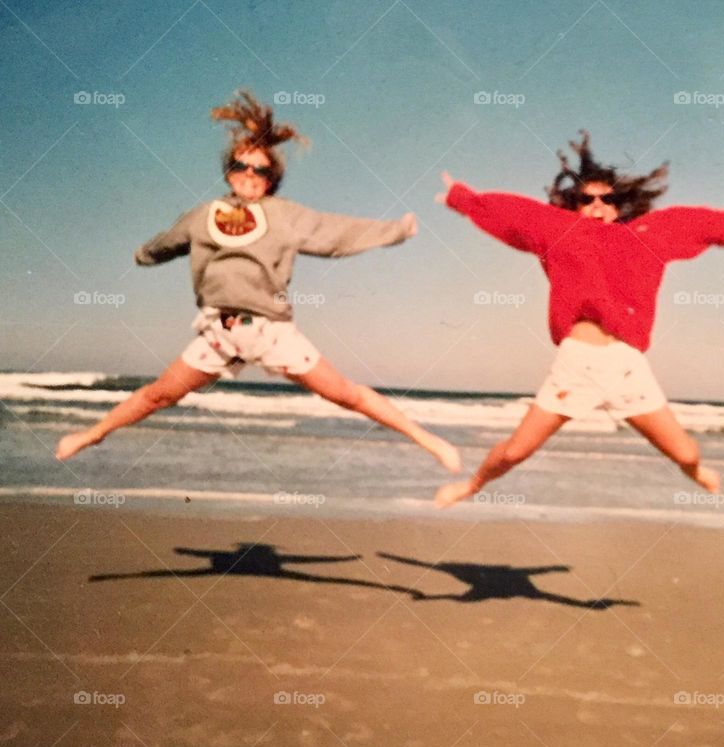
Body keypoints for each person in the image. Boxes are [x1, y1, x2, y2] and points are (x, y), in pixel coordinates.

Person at [56, 90, 460, 473]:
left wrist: (396, 230)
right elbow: (166, 242)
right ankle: (91, 434)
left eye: (259, 169)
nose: (249, 174)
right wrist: (141, 255)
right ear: (229, 173)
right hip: (219, 329)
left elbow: (337, 233)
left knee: (344, 394)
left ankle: (430, 441)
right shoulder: (203, 215)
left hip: (271, 329)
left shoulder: (284, 215)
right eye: (240, 166)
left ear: (271, 179)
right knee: (160, 394)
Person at [433, 130, 724, 507]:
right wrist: (462, 198)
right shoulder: (559, 230)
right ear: (574, 204)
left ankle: (695, 474)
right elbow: (516, 215)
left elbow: (691, 223)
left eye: (606, 198)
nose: (597, 205)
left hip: (626, 365)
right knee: (516, 452)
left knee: (687, 455)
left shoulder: (644, 235)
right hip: (577, 363)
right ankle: (473, 486)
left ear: (619, 204)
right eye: (586, 199)